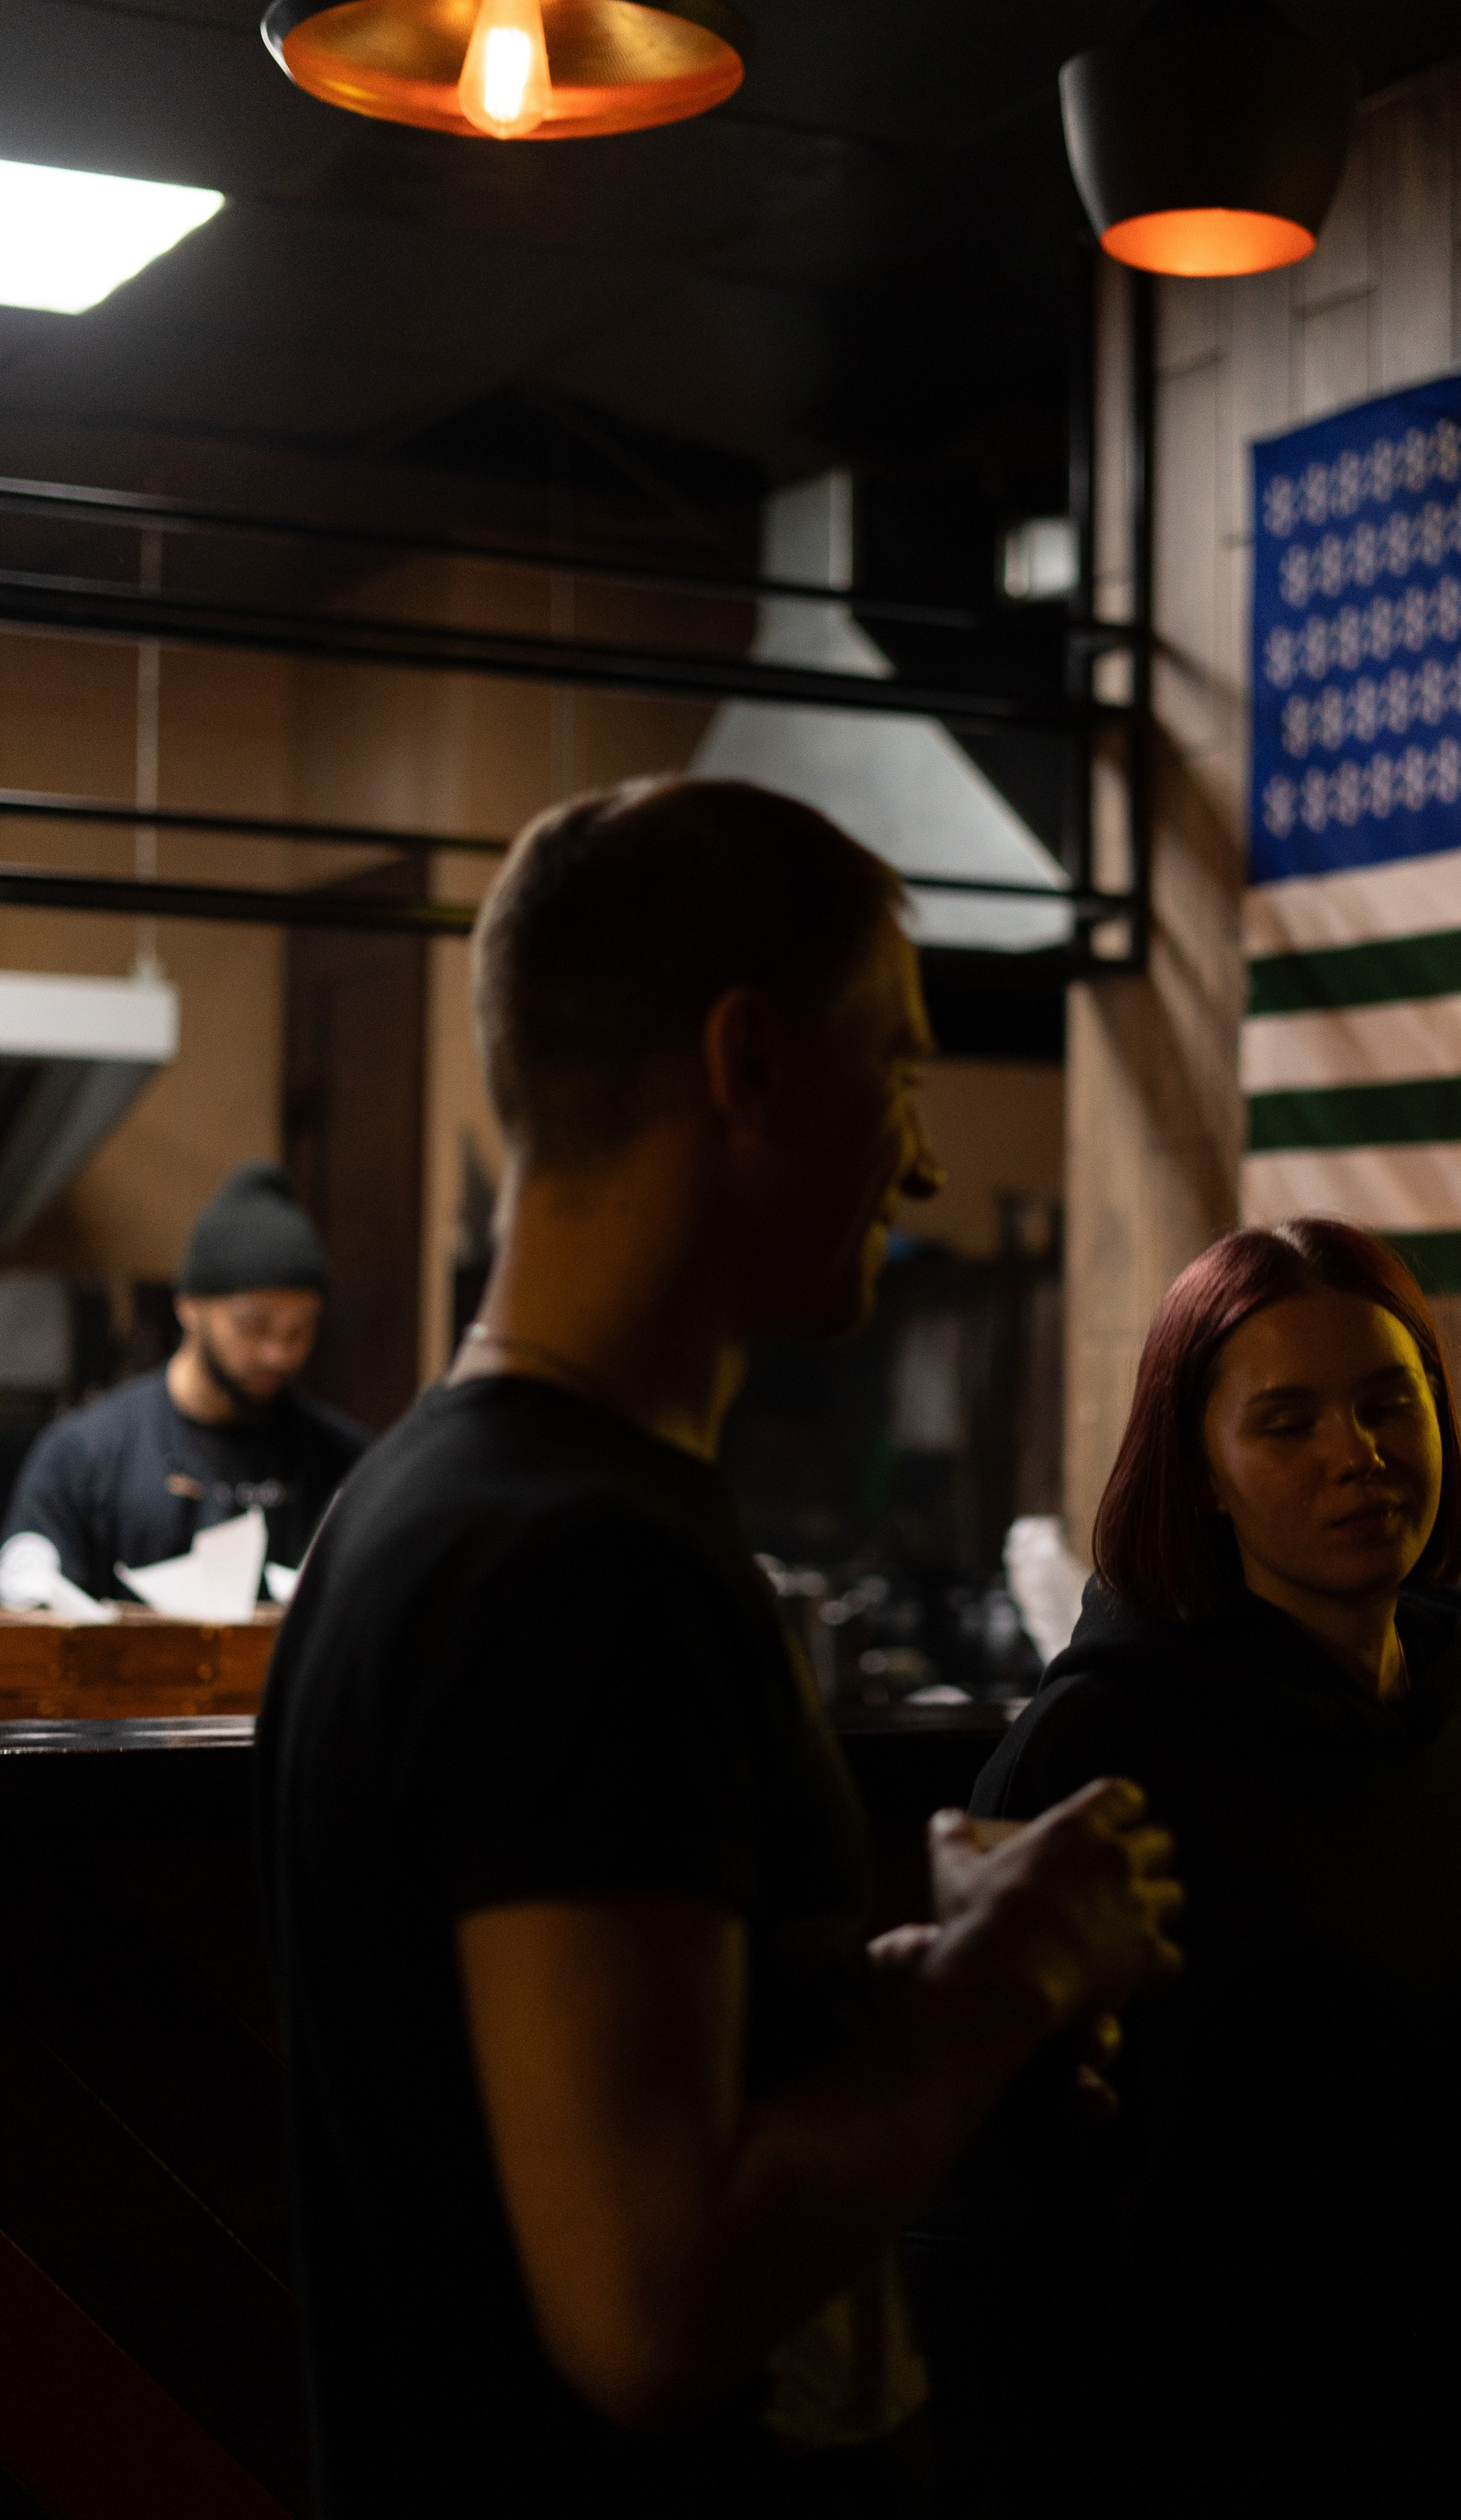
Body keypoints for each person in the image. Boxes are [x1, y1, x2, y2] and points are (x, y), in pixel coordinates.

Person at [253, 780, 1183, 2519]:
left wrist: (895, 1991)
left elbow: (571, 2098)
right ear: (748, 1063)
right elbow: (651, 2306)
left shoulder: (421, 1497)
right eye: (897, 1071)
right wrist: (1010, 1973)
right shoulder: (583, 1569)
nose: (923, 1160)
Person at [920, 1217, 1461, 2511]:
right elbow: (1002, 2219)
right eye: (1287, 1423)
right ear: (1200, 1472)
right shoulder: (1098, 1756)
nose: (1359, 1455)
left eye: (1389, 1403)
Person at [2, 1161, 366, 1600]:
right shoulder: (86, 1456)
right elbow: (31, 1615)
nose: (277, 1353)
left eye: (299, 1330)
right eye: (253, 1325)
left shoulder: (342, 1461)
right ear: (189, 1305)